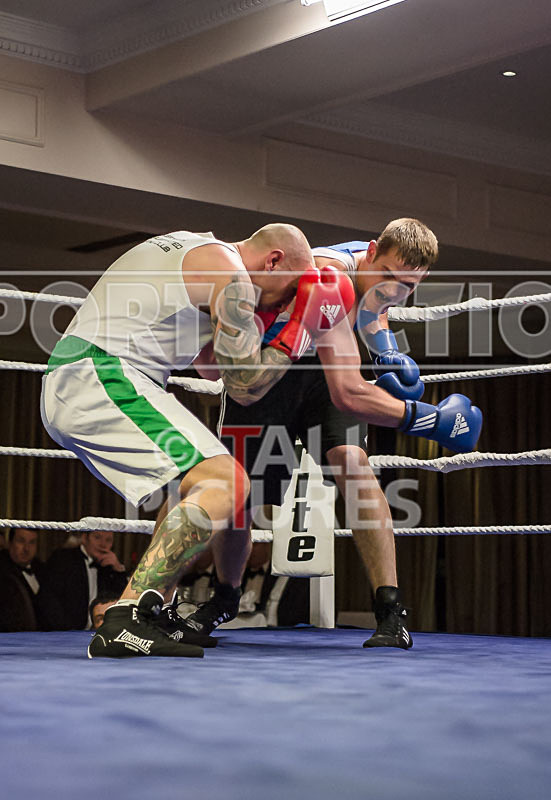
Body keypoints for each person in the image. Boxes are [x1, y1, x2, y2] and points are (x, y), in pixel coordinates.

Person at [41, 225, 355, 658]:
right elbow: (244, 385)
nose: (286, 302)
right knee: (227, 481)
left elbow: (213, 368)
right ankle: (125, 615)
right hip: (102, 374)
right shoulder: (230, 276)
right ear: (274, 261)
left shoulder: (203, 253)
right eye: (288, 291)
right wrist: (300, 327)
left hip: (98, 376)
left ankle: (152, 613)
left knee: (195, 486)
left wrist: (265, 321)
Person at [180, 218, 482, 649]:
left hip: (321, 370)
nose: (395, 290)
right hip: (266, 372)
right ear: (372, 251)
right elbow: (348, 393)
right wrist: (431, 420)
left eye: (409, 286)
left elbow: (375, 311)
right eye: (391, 277)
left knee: (353, 464)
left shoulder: (378, 271)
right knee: (238, 490)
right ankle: (225, 597)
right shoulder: (329, 276)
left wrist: (388, 351)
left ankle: (390, 610)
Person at [40, 531, 128, 630]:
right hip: (66, 634)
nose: (103, 544)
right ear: (84, 538)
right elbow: (49, 601)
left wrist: (118, 568)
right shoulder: (63, 559)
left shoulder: (109, 567)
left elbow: (125, 602)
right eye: (97, 537)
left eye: (108, 540)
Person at [0, 527, 47, 631]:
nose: (26, 548)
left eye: (32, 542)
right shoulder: (2, 570)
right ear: (10, 543)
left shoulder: (42, 569)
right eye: (21, 541)